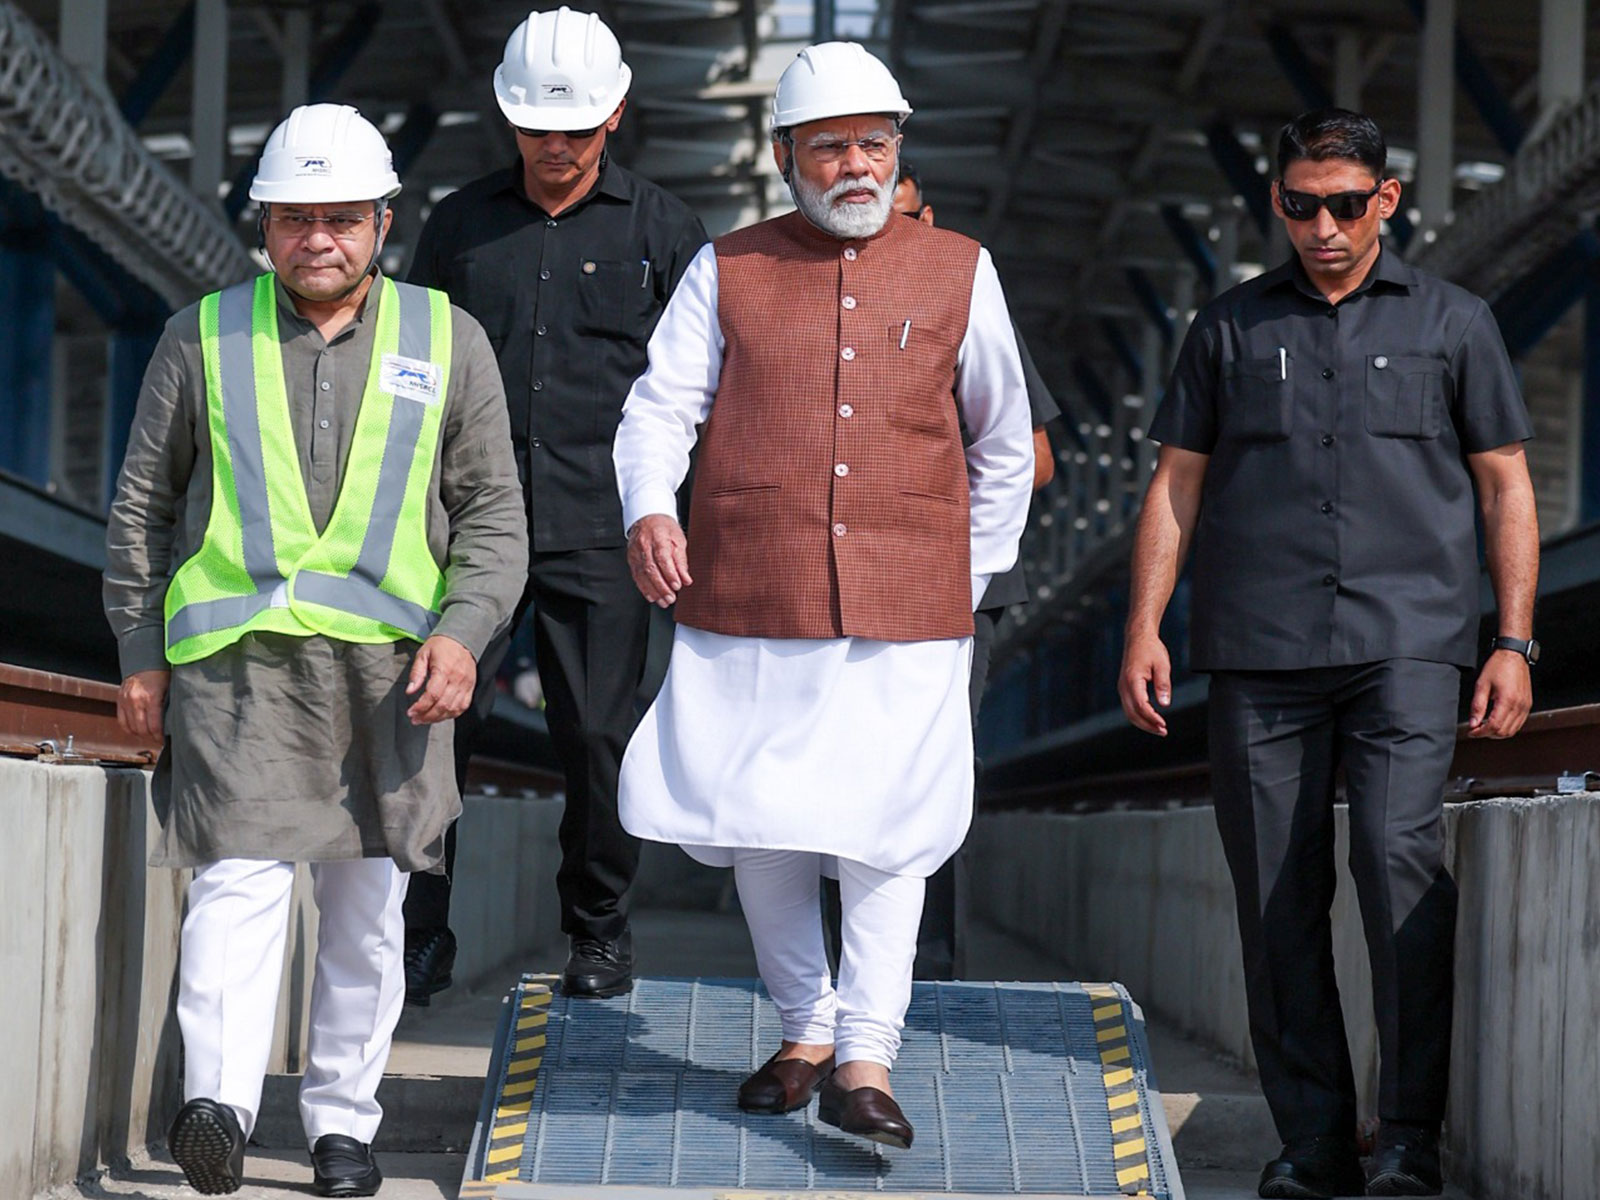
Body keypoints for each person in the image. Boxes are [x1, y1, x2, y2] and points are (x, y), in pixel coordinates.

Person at [613, 41, 1033, 1149]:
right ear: (785, 154)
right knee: (766, 827)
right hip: (751, 588)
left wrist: (970, 569)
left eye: (874, 146)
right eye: (831, 146)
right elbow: (660, 407)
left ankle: (865, 1056)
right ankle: (802, 1026)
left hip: (912, 604)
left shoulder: (959, 269)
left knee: (886, 836)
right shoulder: (729, 266)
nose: (855, 166)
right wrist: (650, 507)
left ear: (899, 154)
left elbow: (1002, 438)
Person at [104, 104, 526, 1197]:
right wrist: (141, 653)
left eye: (342, 218)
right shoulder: (201, 335)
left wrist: (464, 635)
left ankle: (343, 1123)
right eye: (295, 220)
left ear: (385, 222)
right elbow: (144, 506)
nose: (317, 240)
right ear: (265, 224)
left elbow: (491, 517)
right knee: (237, 885)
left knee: (367, 912)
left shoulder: (447, 340)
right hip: (238, 670)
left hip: (392, 677)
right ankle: (221, 1107)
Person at [1118, 108, 1538, 1200]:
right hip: (1258, 653)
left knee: (1397, 864)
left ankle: (1405, 1135)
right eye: (1301, 206)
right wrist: (1142, 627)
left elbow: (1505, 484)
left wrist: (1512, 639)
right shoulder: (1228, 329)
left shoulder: (1454, 324)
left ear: (1386, 201)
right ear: (1279, 205)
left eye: (1345, 205)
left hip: (1408, 644)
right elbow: (1175, 486)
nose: (1324, 227)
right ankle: (1310, 1140)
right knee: (1275, 896)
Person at [404, 6, 709, 1002]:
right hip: (467, 523)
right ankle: (418, 933)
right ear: (508, 119)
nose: (557, 148)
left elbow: (700, 389)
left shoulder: (666, 232)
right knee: (435, 725)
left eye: (575, 129)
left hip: (601, 525)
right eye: (538, 129)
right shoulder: (458, 226)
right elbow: (413, 372)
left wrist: (675, 514)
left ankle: (599, 933)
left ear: (615, 113)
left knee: (594, 735)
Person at [889, 160, 1058, 980]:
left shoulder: (966, 295)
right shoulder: (818, 299)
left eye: (907, 216)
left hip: (959, 581)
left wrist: (924, 479)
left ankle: (929, 961)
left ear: (931, 218)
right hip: (838, 571)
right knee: (839, 762)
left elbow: (1036, 458)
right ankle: (840, 960)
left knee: (937, 761)